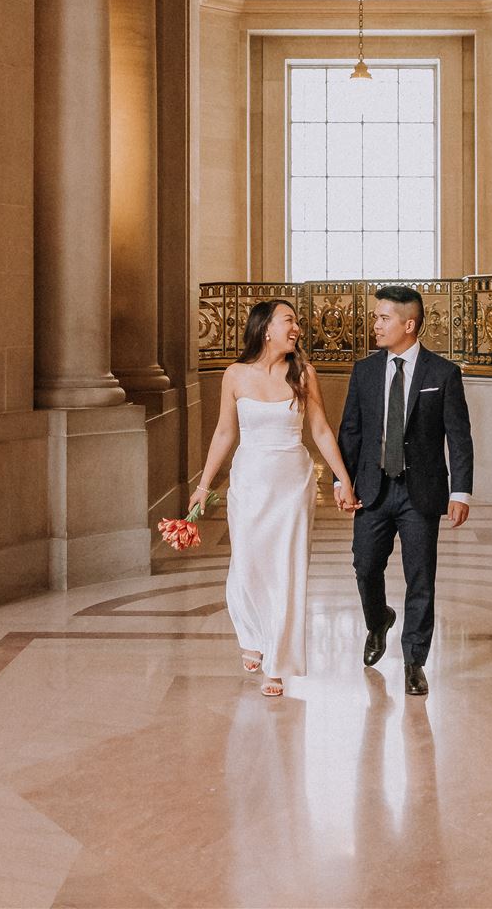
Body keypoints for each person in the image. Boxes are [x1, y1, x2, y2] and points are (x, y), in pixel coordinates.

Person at [188, 297, 355, 698]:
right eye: (289, 320)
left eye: (296, 322)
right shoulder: (234, 374)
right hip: (248, 482)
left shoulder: (304, 373)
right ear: (265, 328)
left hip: (292, 484)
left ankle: (276, 664)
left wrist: (342, 479)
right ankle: (251, 634)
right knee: (246, 563)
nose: (296, 328)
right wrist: (203, 484)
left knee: (287, 569)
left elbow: (321, 431)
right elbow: (225, 433)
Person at [336, 285, 474, 698]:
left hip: (422, 492)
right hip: (373, 489)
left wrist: (461, 492)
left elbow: (459, 437)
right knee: (365, 566)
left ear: (408, 325)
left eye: (383, 318)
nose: (375, 324)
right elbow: (351, 431)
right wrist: (342, 482)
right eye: (376, 317)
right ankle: (378, 620)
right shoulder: (364, 371)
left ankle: (414, 660)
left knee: (421, 577)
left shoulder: (442, 373)